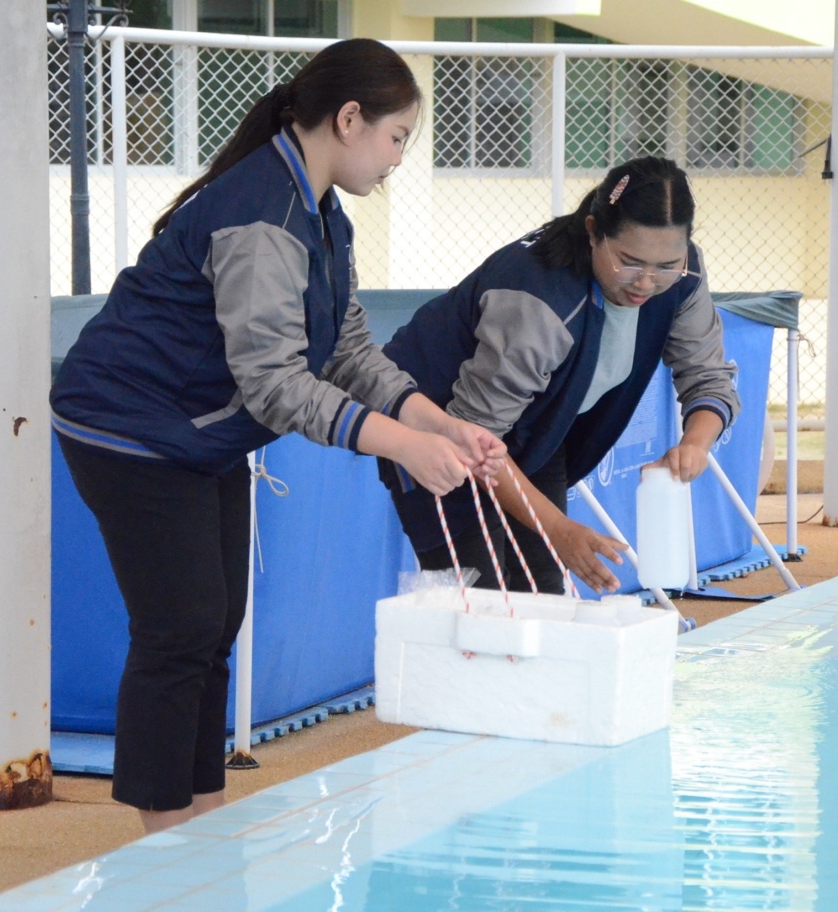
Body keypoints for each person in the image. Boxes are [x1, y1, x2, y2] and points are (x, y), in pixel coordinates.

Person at [49, 38, 503, 834]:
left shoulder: (320, 211)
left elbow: (348, 349)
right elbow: (274, 384)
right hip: (129, 426)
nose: (399, 159)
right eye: (397, 137)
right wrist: (400, 446)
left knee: (214, 623)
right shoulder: (264, 216)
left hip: (196, 431)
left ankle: (204, 821)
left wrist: (436, 422)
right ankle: (164, 850)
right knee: (180, 629)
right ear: (350, 119)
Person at [380, 156, 740, 596]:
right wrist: (558, 529)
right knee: (476, 599)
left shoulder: (684, 276)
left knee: (542, 590)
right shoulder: (540, 301)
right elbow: (472, 437)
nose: (647, 282)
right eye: (629, 262)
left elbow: (708, 375)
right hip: (440, 428)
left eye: (666, 265)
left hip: (538, 426)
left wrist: (695, 444)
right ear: (593, 231)